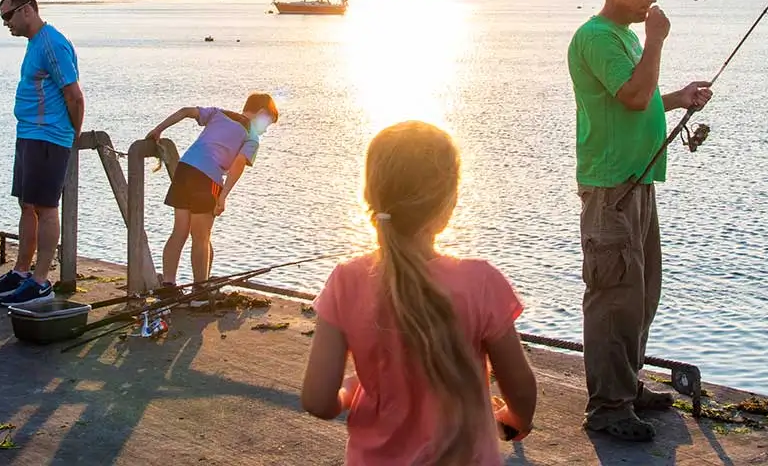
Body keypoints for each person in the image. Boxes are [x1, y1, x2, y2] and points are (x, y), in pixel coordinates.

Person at [301, 121, 537, 466]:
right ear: (449, 204)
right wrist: (516, 420)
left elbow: (318, 400)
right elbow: (521, 390)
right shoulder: (481, 282)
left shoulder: (346, 281)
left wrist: (351, 392)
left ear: (370, 196)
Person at [567, 0, 712, 442]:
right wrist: (656, 40)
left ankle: (627, 385)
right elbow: (631, 97)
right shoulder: (597, 38)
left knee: (642, 294)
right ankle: (607, 406)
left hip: (639, 181)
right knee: (613, 295)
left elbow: (640, 95)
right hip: (611, 187)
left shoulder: (625, 38)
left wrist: (678, 98)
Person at [0, 0, 84, 306]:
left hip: (49, 136)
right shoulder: (34, 44)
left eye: (7, 16)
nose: (5, 23)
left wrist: (71, 137)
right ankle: (21, 272)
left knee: (46, 208)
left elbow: (75, 95)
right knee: (27, 204)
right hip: (28, 134)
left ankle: (40, 281)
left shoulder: (52, 43)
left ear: (27, 11)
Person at [145, 94, 278, 294]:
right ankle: (200, 292)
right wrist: (222, 197)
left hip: (185, 169)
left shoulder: (218, 113)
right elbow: (238, 165)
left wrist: (158, 130)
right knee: (201, 237)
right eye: (267, 122)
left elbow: (185, 112)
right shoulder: (252, 136)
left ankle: (168, 286)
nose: (266, 129)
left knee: (179, 232)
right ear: (260, 113)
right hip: (208, 178)